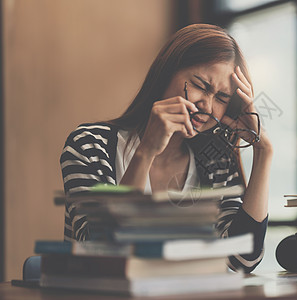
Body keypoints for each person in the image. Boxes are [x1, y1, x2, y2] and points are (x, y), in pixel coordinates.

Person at [60, 24, 272, 273]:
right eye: (201, 85)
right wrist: (146, 150)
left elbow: (241, 261)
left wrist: (263, 152)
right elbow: (103, 250)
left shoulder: (217, 161)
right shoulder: (89, 144)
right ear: (166, 73)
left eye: (222, 98)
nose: (207, 105)